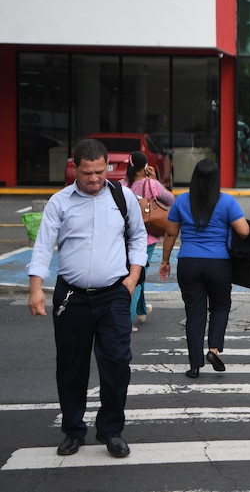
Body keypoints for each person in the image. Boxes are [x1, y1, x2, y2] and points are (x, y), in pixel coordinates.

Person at [27, 138, 147, 458]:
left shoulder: (123, 198)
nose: (94, 178)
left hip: (114, 295)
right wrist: (36, 286)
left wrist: (133, 278)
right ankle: (73, 430)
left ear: (107, 166)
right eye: (86, 172)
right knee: (71, 366)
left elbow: (137, 236)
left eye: (99, 171)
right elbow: (43, 246)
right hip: (72, 297)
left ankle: (111, 430)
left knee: (117, 364)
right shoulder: (60, 202)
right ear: (74, 167)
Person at [158, 160, 250, 378]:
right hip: (218, 264)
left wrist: (165, 261)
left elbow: (170, 233)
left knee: (194, 313)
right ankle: (214, 349)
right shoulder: (227, 202)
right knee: (220, 306)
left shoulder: (181, 202)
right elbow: (244, 231)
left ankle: (194, 365)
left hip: (189, 262)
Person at [124, 150, 175, 332]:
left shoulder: (123, 185)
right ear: (146, 166)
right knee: (136, 278)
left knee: (137, 273)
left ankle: (142, 310)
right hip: (147, 238)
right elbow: (170, 199)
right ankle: (127, 321)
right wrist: (155, 180)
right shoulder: (151, 184)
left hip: (126, 237)